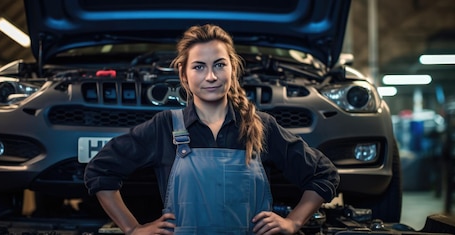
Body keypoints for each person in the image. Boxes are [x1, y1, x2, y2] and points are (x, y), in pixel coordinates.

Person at [84, 24, 339, 235]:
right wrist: (132, 228)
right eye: (199, 67)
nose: (211, 76)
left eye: (219, 64)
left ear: (233, 68)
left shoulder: (261, 126)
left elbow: (324, 174)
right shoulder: (164, 127)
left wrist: (293, 222)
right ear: (183, 76)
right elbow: (100, 170)